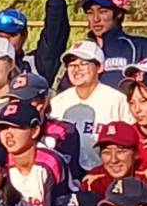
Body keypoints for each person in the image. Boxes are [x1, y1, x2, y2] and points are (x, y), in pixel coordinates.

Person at [50, 39, 126, 172]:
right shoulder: (57, 102)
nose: (76, 69)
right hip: (67, 173)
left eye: (83, 63)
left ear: (99, 67)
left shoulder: (117, 100)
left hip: (105, 173)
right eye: (71, 65)